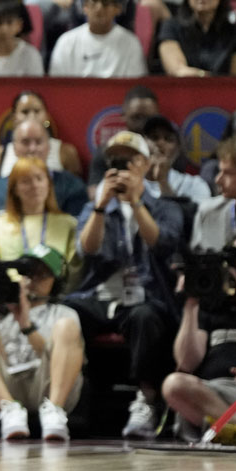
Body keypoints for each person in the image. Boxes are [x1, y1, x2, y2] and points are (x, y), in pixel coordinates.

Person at [64, 131, 184, 439]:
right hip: (103, 295)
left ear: (144, 164)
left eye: (128, 160)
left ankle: (147, 399)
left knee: (145, 317)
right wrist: (102, 206)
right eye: (115, 161)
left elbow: (162, 243)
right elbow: (86, 250)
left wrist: (135, 203)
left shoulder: (165, 207)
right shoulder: (96, 208)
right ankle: (66, 399)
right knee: (64, 313)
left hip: (146, 296)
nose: (122, 167)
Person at [0, 243, 85, 440]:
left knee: (67, 327)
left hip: (44, 386)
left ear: (56, 281)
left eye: (42, 274)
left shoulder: (63, 314)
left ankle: (54, 411)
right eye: (29, 273)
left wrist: (26, 324)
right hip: (3, 389)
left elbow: (57, 363)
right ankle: (10, 409)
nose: (33, 280)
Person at [162, 232, 236, 444]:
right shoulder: (211, 307)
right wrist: (191, 303)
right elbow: (185, 363)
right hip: (216, 397)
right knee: (173, 384)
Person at [0, 155, 84, 292]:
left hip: (56, 301)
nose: (34, 185)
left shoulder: (69, 224)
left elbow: (75, 270)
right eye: (26, 181)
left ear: (49, 184)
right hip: (9, 300)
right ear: (14, 189)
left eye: (39, 179)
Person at [0, 120, 90, 218]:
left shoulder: (73, 187)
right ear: (14, 147)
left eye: (39, 142)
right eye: (25, 142)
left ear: (49, 146)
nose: (32, 149)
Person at [153, 0, 236, 76]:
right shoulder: (170, 27)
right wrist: (206, 77)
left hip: (225, 92)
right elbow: (178, 71)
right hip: (184, 90)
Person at [49, 0, 148, 77]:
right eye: (94, 0)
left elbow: (135, 83)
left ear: (118, 8)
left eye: (105, 2)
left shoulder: (131, 43)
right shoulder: (66, 41)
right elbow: (58, 83)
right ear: (84, 7)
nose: (99, 7)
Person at [85, 85, 165, 194]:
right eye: (136, 117)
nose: (143, 124)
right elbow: (93, 195)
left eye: (149, 118)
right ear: (123, 116)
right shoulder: (107, 151)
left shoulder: (166, 151)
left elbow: (174, 197)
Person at [0, 92, 84, 183]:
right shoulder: (1, 153)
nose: (32, 116)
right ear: (14, 118)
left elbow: (75, 190)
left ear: (46, 116)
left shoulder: (66, 152)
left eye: (37, 111)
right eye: (25, 112)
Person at [141, 114, 212, 201]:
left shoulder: (194, 185)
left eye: (168, 139)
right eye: (154, 137)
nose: (160, 143)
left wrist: (163, 181)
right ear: (142, 143)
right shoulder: (129, 179)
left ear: (178, 149)